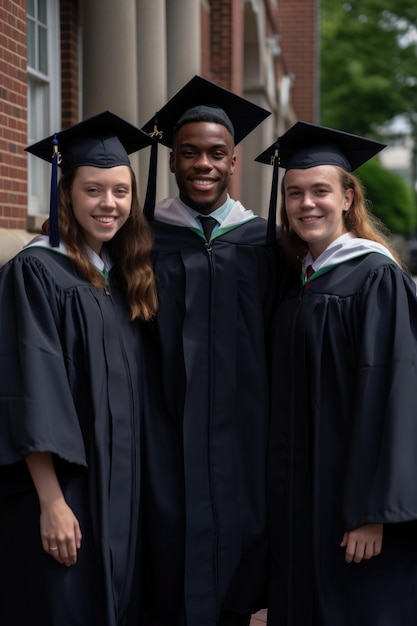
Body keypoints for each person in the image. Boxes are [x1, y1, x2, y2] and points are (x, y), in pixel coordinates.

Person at [139, 76, 287, 626]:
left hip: (245, 434)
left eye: (216, 154)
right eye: (189, 153)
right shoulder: (146, 240)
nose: (203, 163)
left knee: (241, 560)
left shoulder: (265, 243)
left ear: (233, 162)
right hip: (165, 433)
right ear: (172, 162)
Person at [0, 111, 157, 626]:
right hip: (65, 495)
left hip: (119, 493)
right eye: (93, 190)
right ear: (66, 193)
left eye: (119, 191)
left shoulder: (121, 277)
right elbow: (29, 391)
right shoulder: (36, 271)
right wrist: (52, 501)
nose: (108, 204)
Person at [256, 122, 417, 626]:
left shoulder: (376, 278)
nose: (307, 204)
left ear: (348, 197)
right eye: (294, 193)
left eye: (320, 191)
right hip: (301, 501)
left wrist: (374, 513)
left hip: (355, 512)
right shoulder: (298, 279)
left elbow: (396, 393)